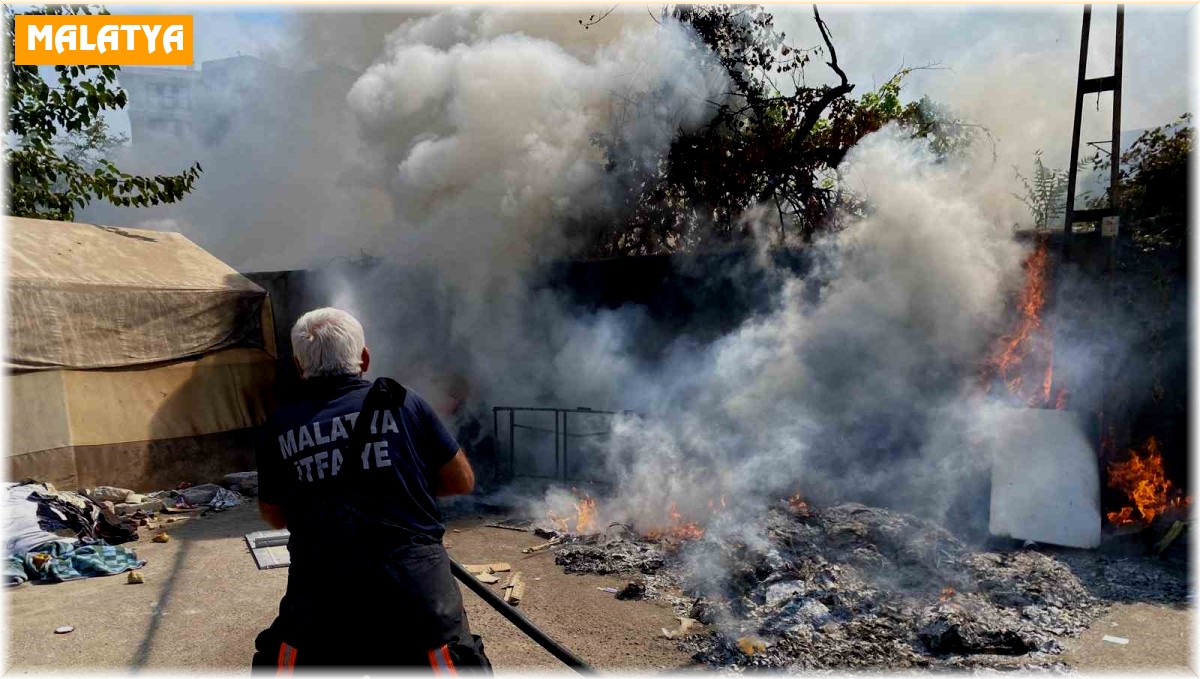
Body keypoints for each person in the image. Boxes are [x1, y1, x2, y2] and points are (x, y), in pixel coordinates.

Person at [251, 307, 486, 672]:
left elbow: (274, 514)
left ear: (299, 367)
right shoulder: (404, 402)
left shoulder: (277, 428)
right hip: (413, 589)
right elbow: (462, 480)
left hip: (322, 595)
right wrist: (400, 488)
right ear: (364, 358)